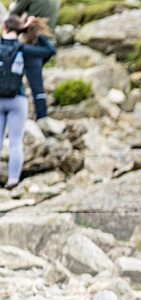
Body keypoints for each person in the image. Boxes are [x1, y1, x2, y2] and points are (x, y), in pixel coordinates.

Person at [0, 14, 55, 189]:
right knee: (16, 142)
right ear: (20, 31)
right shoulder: (23, 49)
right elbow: (50, 50)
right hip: (18, 99)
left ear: (4, 28)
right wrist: (34, 30)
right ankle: (13, 180)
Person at [9, 0, 59, 120]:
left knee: (32, 83)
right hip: (48, 42)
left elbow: (14, 15)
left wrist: (13, 6)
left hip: (33, 44)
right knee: (36, 82)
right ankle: (41, 115)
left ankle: (41, 117)